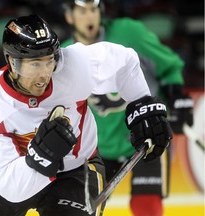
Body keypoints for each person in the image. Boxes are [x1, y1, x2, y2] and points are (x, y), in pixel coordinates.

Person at [0, 14, 173, 216]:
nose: (44, 75)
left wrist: (141, 103)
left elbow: (125, 62)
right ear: (12, 62)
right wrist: (42, 158)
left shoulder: (73, 65)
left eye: (49, 61)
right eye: (34, 64)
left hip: (77, 170)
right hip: (14, 173)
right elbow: (11, 189)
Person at [61, 1, 194, 216]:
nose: (90, 17)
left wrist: (177, 97)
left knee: (146, 207)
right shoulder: (65, 56)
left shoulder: (129, 32)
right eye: (82, 11)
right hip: (99, 149)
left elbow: (168, 65)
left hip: (146, 139)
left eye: (94, 10)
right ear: (69, 17)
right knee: (85, 210)